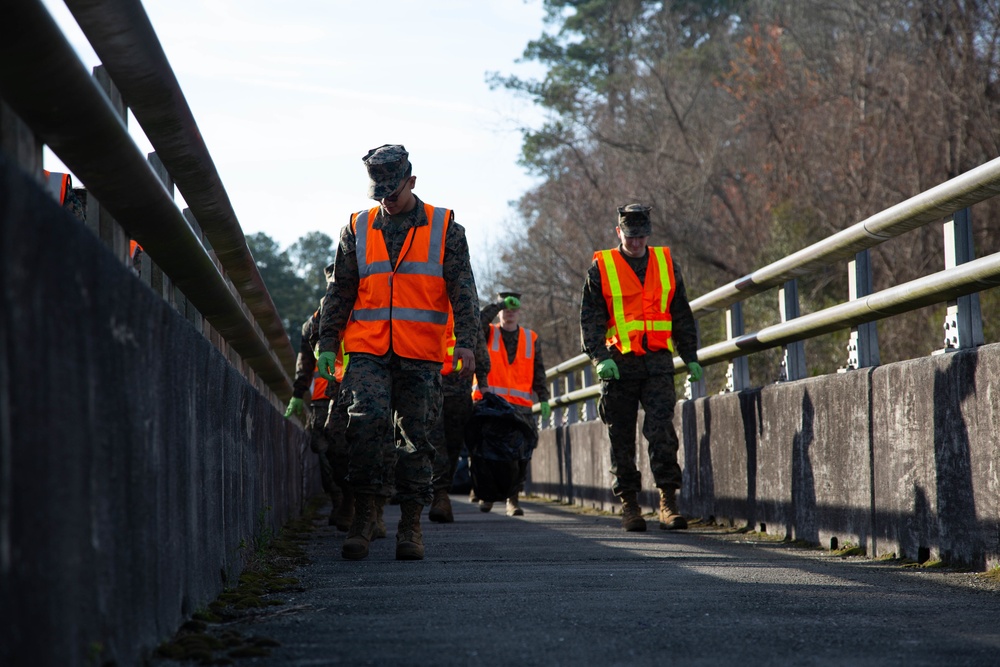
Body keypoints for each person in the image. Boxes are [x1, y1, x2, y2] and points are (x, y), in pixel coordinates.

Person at [317, 144, 479, 561]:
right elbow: (341, 289)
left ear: (411, 181)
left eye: (394, 190)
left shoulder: (445, 228)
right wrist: (327, 339)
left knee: (416, 438)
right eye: (380, 193)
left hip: (421, 351)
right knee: (365, 424)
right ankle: (364, 518)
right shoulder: (358, 227)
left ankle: (411, 525)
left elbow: (463, 290)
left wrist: (467, 342)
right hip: (368, 349)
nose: (387, 199)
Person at [579, 203, 703, 532]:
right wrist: (599, 357)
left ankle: (668, 502)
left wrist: (690, 354)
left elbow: (680, 312)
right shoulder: (601, 267)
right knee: (621, 437)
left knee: (662, 431)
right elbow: (590, 319)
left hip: (658, 363)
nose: (635, 243)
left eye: (641, 237)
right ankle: (630, 506)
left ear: (648, 234)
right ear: (619, 233)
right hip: (618, 365)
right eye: (630, 236)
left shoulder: (665, 263)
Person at [474, 291, 551, 517]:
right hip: (492, 406)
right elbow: (476, 321)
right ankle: (487, 495)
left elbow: (539, 372)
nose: (509, 312)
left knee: (520, 456)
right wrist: (497, 305)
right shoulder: (489, 332)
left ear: (519, 311)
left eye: (513, 308)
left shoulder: (531, 338)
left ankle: (513, 499)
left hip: (519, 408)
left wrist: (544, 398)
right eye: (505, 308)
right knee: (488, 454)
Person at [284, 292, 353, 531]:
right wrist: (297, 393)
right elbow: (305, 362)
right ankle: (340, 501)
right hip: (324, 397)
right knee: (325, 451)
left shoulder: (358, 312)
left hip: (356, 390)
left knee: (359, 446)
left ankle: (362, 505)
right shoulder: (313, 323)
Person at [427, 308, 490, 524]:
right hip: (427, 380)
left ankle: (442, 492)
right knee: (436, 442)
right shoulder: (424, 295)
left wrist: (483, 383)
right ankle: (440, 495)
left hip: (459, 384)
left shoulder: (463, 304)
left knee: (454, 443)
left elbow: (477, 341)